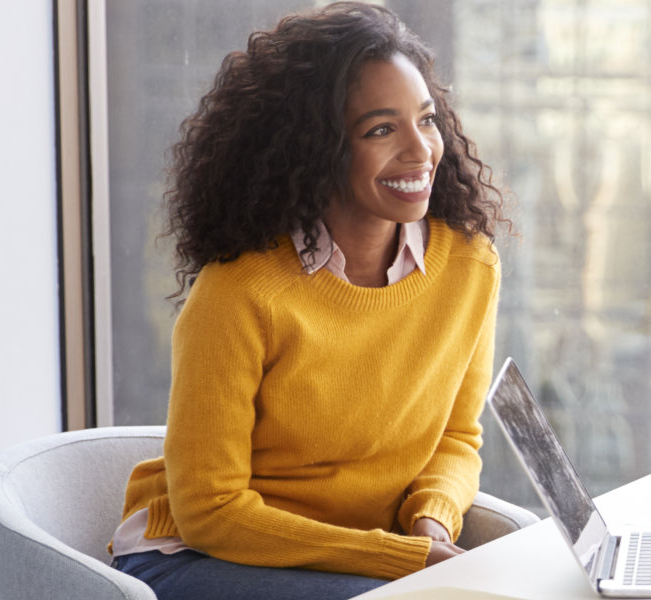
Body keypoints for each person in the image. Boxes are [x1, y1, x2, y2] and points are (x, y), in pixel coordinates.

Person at [107, 4, 507, 599]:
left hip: (360, 560)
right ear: (315, 149)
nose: (420, 150)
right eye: (380, 129)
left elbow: (455, 439)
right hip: (197, 555)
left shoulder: (469, 267)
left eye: (426, 119)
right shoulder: (241, 294)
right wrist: (399, 558)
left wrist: (431, 524)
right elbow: (210, 510)